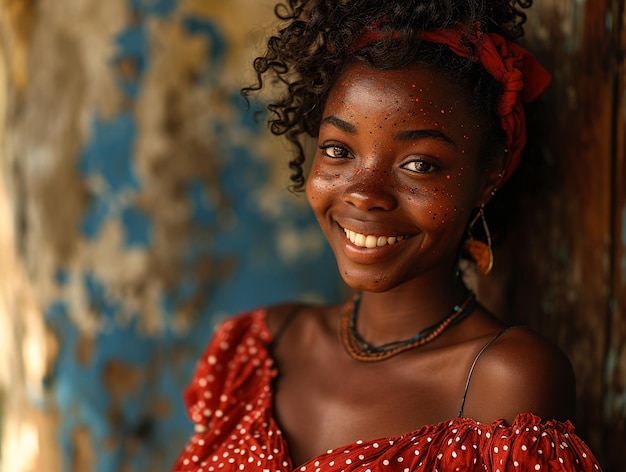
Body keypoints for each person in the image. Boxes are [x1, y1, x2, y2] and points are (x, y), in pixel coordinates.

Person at [172, 0, 602, 470]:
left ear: (489, 174)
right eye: (338, 150)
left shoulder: (505, 381)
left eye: (419, 164)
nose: (364, 194)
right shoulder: (255, 349)